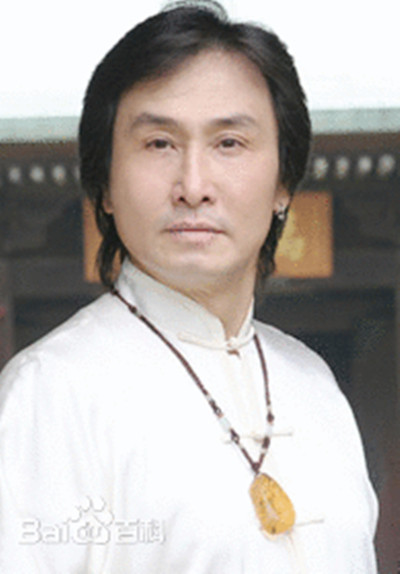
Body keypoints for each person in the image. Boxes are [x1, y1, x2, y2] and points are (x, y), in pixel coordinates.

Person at [0, 1, 378, 572]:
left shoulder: (313, 386)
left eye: (229, 143)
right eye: (159, 143)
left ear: (283, 183)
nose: (193, 186)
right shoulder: (51, 393)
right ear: (104, 184)